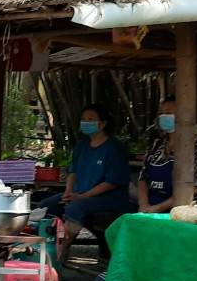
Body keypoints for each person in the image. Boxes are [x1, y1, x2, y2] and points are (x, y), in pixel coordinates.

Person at [39, 105, 133, 260]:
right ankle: (44, 246)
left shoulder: (114, 148)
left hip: (109, 198)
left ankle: (59, 254)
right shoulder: (82, 146)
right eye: (83, 119)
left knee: (75, 208)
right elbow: (73, 171)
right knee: (47, 205)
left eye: (90, 119)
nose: (85, 122)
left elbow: (111, 182)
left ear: (102, 124)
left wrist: (83, 196)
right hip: (80, 193)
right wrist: (69, 192)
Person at [137, 97, 197, 214]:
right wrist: (144, 205)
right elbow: (142, 179)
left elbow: (196, 187)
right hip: (150, 207)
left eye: (168, 113)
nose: (163, 117)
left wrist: (158, 208)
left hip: (183, 210)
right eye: (161, 113)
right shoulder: (157, 144)